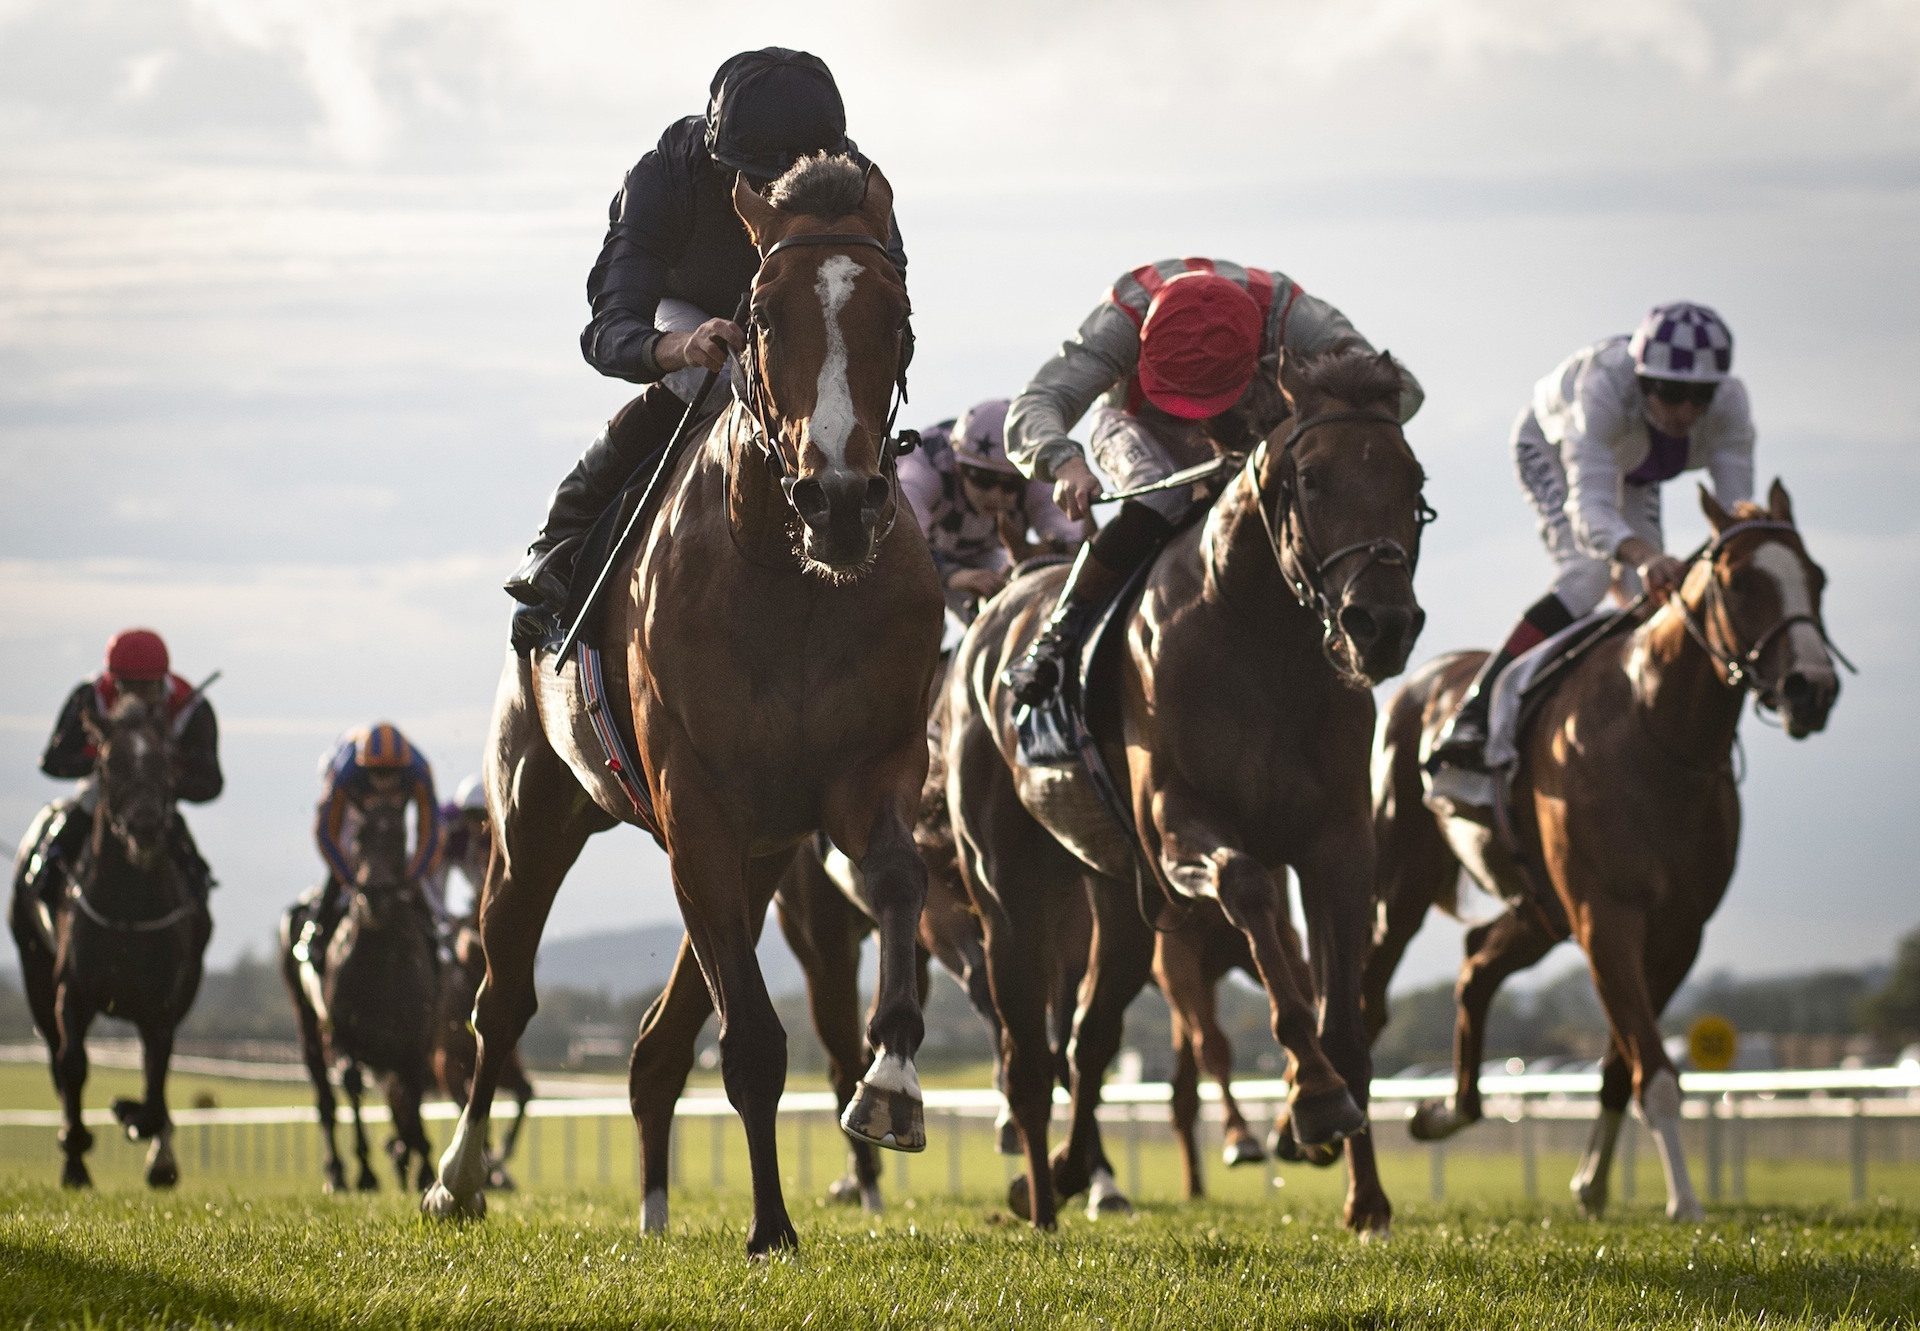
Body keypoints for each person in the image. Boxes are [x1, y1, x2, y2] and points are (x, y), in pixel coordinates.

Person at [503, 47, 909, 648]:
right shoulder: (664, 177)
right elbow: (610, 329)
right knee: (716, 382)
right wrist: (680, 348)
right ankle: (563, 538)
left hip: (796, 330)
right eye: (762, 182)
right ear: (725, 159)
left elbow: (888, 309)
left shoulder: (857, 184)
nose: (780, 197)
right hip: (692, 317)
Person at [1003, 257, 1423, 703]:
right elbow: (1035, 404)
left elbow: (1405, 391)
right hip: (1139, 421)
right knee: (1165, 498)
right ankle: (1058, 635)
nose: (1197, 423)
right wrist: (1063, 463)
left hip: (1258, 427)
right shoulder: (1122, 319)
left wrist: (1291, 439)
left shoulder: (1295, 318)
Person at [1430, 302, 1754, 769]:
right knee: (1589, 576)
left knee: (1654, 597)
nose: (1685, 411)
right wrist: (1644, 555)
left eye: (1699, 397)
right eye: (1669, 392)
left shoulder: (1731, 404)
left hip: (1634, 467)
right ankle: (1476, 709)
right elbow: (1591, 513)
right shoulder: (1601, 388)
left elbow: (1736, 517)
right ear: (1642, 381)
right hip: (1555, 447)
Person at [18, 629, 220, 917]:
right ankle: (46, 875)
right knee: (82, 809)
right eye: (127, 687)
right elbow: (53, 760)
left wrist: (163, 776)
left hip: (158, 793)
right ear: (113, 679)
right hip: (103, 788)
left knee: (170, 829)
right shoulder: (89, 698)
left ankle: (197, 889)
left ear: (162, 680)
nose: (136, 696)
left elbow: (211, 782)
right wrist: (109, 763)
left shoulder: (193, 708)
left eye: (146, 688)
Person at [898, 398, 1091, 621]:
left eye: (1011, 484)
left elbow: (1071, 539)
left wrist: (1042, 552)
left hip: (985, 554)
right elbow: (900, 543)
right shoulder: (922, 471)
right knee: (921, 610)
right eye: (984, 479)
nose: (996, 495)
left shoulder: (1035, 476)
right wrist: (950, 575)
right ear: (958, 466)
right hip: (916, 553)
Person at [301, 723, 442, 966]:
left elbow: (430, 833)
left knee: (407, 873)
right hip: (353, 811)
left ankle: (434, 939)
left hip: (392, 824)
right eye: (378, 773)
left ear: (403, 769)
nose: (384, 782)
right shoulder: (345, 772)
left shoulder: (420, 771)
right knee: (350, 860)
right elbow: (325, 833)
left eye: (391, 774)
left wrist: (413, 874)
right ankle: (318, 930)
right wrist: (347, 877)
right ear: (365, 768)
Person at [424, 774, 490, 924]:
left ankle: (479, 918)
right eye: (472, 815)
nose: (477, 823)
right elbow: (431, 854)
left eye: (482, 816)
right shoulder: (446, 819)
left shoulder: (490, 833)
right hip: (443, 855)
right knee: (433, 887)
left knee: (485, 887)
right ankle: (440, 922)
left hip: (467, 857)